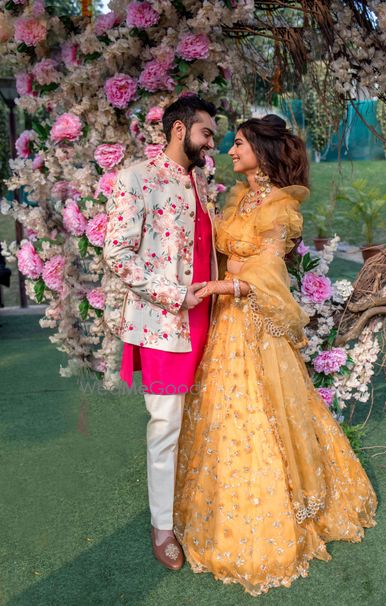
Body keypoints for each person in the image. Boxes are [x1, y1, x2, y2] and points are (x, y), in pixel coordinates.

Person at [173, 115, 378, 595]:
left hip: (253, 322)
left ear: (261, 154)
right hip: (225, 321)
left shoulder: (282, 207)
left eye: (238, 144)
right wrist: (223, 272)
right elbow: (227, 250)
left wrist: (226, 282)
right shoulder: (237, 198)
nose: (230, 151)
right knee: (220, 415)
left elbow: (269, 270)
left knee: (265, 412)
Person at [103, 94, 218, 571]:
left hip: (212, 322)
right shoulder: (136, 179)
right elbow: (118, 254)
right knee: (166, 426)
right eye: (206, 132)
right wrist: (175, 295)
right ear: (178, 130)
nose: (213, 141)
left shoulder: (201, 182)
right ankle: (162, 526)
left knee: (206, 420)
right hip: (165, 324)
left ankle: (201, 506)